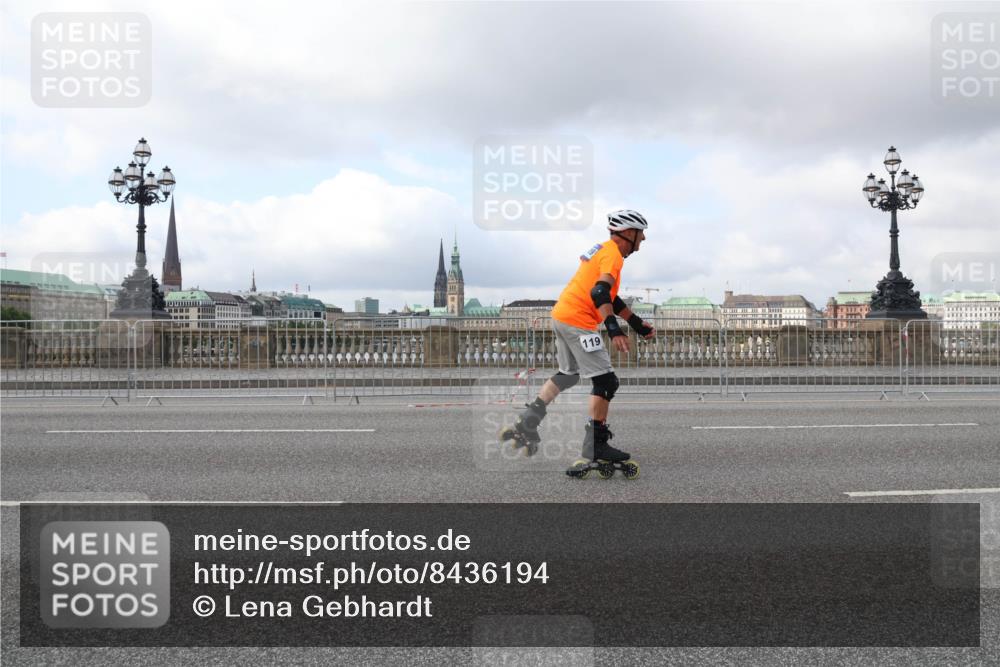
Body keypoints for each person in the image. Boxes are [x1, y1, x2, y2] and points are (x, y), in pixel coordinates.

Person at [500, 210, 655, 478]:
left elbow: (612, 298)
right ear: (629, 234)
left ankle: (528, 421)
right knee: (606, 382)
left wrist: (638, 324)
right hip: (579, 321)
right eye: (641, 235)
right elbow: (599, 293)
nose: (643, 241)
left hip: (562, 315)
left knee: (568, 375)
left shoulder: (603, 251)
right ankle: (596, 444)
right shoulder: (613, 256)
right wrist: (614, 329)